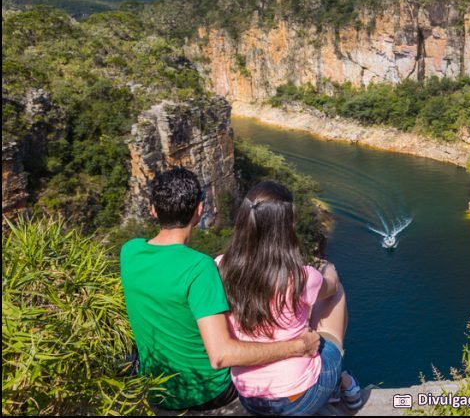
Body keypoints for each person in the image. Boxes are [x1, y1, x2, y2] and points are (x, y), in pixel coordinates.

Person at [120, 167, 320, 411]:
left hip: (155, 389)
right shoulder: (199, 268)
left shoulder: (129, 251)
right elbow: (221, 355)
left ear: (153, 209)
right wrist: (298, 347)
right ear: (199, 209)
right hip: (208, 392)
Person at [216, 180, 363, 415]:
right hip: (298, 398)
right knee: (335, 292)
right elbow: (332, 285)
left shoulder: (220, 267)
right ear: (286, 227)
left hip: (249, 398)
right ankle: (342, 384)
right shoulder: (299, 276)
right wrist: (328, 268)